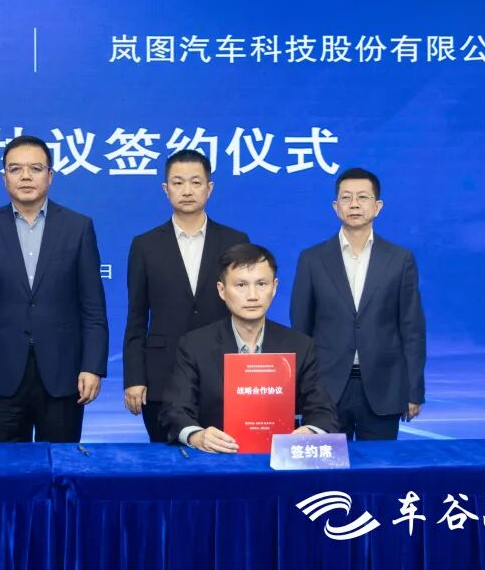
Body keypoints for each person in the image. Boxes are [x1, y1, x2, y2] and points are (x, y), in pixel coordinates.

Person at [0, 135, 108, 443]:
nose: (25, 176)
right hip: (1, 377)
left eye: (35, 168)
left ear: (50, 176)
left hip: (64, 375)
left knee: (60, 464)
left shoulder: (78, 227)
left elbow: (92, 307)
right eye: (15, 169)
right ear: (4, 178)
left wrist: (92, 366)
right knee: (6, 468)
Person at [160, 243, 338, 452]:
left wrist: (310, 432)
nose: (252, 295)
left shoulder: (299, 345)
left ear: (274, 287)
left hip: (279, 456)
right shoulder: (195, 345)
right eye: (241, 285)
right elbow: (175, 409)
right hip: (217, 458)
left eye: (261, 284)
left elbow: (323, 412)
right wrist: (197, 436)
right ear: (222, 290)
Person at [290, 167, 426, 441]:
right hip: (326, 388)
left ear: (377, 206)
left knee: (379, 466)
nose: (354, 204)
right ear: (335, 207)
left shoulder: (399, 259)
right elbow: (301, 329)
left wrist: (414, 390)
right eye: (346, 197)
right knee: (327, 466)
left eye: (363, 197)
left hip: (383, 387)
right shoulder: (312, 259)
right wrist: (299, 392)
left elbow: (412, 329)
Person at [123, 150, 249, 442]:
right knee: (165, 461)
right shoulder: (145, 245)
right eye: (178, 183)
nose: (187, 191)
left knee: (224, 457)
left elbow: (246, 312)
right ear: (166, 189)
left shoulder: (235, 241)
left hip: (223, 373)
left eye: (195, 182)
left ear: (209, 188)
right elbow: (136, 317)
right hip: (162, 376)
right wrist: (134, 378)